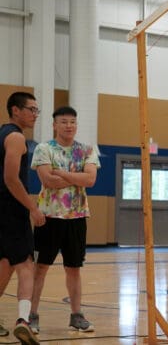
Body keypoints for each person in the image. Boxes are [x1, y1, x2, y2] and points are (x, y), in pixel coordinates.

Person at [30, 106, 99, 333]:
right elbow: (48, 181)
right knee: (40, 268)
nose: (69, 125)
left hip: (77, 217)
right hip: (48, 217)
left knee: (74, 268)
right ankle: (31, 315)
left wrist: (61, 173)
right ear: (54, 125)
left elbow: (90, 180)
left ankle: (76, 315)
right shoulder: (43, 149)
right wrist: (75, 178)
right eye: (64, 121)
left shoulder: (87, 150)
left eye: (72, 122)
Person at [0, 91, 45, 345]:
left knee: (5, 263)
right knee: (26, 264)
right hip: (11, 209)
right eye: (31, 109)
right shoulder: (16, 137)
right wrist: (33, 208)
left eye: (36, 110)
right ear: (15, 110)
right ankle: (23, 321)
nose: (34, 115)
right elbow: (10, 179)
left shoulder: (1, 134)